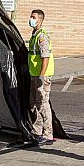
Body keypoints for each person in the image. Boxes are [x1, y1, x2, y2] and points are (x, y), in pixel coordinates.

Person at [27, 9, 55, 145]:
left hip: (41, 76)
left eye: (33, 17)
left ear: (40, 20)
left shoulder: (42, 36)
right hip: (34, 74)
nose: (31, 19)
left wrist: (42, 76)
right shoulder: (34, 35)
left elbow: (45, 57)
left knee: (43, 104)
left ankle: (48, 134)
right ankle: (37, 131)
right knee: (34, 103)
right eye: (31, 16)